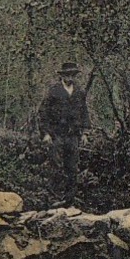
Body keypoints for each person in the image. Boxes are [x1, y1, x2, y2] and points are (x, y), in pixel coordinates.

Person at [38, 60, 88, 205]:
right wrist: (45, 133)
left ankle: (69, 199)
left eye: (73, 75)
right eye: (67, 75)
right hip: (57, 135)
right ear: (62, 76)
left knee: (72, 167)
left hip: (73, 135)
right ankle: (54, 198)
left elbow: (84, 113)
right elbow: (43, 113)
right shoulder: (54, 91)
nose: (70, 78)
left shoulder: (79, 92)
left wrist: (85, 133)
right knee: (56, 165)